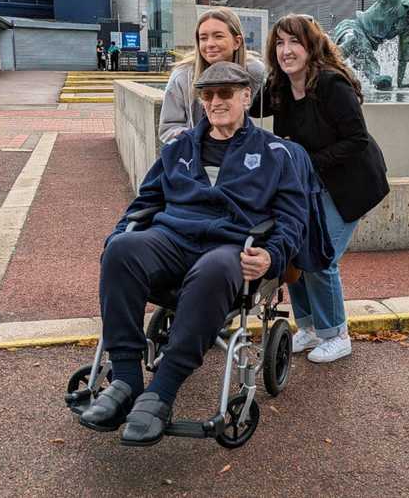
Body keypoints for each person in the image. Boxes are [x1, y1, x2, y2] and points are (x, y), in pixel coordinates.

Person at [80, 62, 311, 447]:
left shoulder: (276, 153)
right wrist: (119, 234)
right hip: (173, 240)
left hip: (230, 246)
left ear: (245, 97)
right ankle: (124, 381)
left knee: (219, 267)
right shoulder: (179, 149)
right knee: (121, 250)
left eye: (225, 93)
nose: (216, 101)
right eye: (208, 94)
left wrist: (271, 256)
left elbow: (292, 219)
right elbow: (146, 201)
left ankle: (161, 392)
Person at [257, 14, 389, 363]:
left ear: (311, 46)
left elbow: (357, 139)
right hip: (311, 186)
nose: (286, 50)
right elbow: (246, 104)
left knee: (321, 258)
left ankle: (337, 334)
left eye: (294, 42)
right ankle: (310, 328)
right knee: (297, 254)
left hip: (350, 185)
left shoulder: (331, 84)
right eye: (280, 43)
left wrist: (309, 162)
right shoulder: (280, 86)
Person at [158, 7, 266, 144]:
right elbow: (167, 129)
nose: (209, 44)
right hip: (197, 157)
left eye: (218, 36)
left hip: (241, 154)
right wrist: (203, 141)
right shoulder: (182, 76)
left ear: (237, 42)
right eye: (203, 38)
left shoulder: (254, 72)